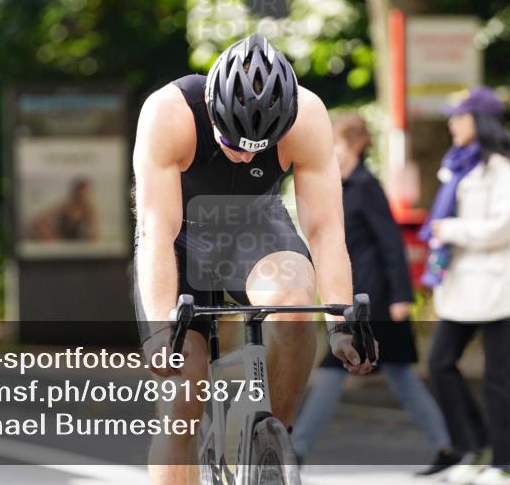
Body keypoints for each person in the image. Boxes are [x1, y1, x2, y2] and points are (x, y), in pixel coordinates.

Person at [133, 33, 373, 485]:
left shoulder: (309, 116)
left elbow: (325, 230)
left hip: (255, 228)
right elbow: (155, 231)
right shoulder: (169, 112)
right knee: (184, 394)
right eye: (232, 141)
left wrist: (341, 322)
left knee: (296, 304)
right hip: (180, 238)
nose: (244, 155)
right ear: (210, 106)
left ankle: (270, 446)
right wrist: (164, 331)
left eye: (257, 148)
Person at [291, 113, 463, 477]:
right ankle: (448, 446)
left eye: (335, 144)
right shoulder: (337, 186)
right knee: (401, 377)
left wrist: (402, 296)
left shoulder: (366, 187)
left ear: (353, 146)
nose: (329, 152)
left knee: (333, 373)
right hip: (354, 298)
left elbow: (390, 244)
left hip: (377, 303)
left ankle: (297, 449)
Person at [424, 87, 510, 485]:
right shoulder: (458, 164)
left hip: (495, 287)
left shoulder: (499, 168)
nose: (452, 122)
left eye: (459, 116)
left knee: (498, 378)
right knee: (439, 363)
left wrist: (451, 229)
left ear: (479, 121)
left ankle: (508, 464)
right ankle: (474, 446)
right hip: (462, 288)